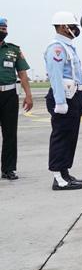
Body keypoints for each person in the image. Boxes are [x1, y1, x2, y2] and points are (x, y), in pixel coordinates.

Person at [45, 11, 82, 191]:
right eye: (73, 26)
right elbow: (55, 76)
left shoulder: (68, 47)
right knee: (61, 136)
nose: (76, 29)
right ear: (64, 27)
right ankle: (58, 177)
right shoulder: (57, 48)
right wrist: (60, 102)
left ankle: (65, 172)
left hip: (73, 96)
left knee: (70, 137)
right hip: (63, 98)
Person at [0, 18, 33, 180]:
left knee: (10, 134)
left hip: (9, 95)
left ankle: (8, 169)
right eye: (1, 28)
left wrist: (28, 95)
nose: (3, 31)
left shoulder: (13, 50)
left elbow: (22, 74)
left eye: (5, 29)